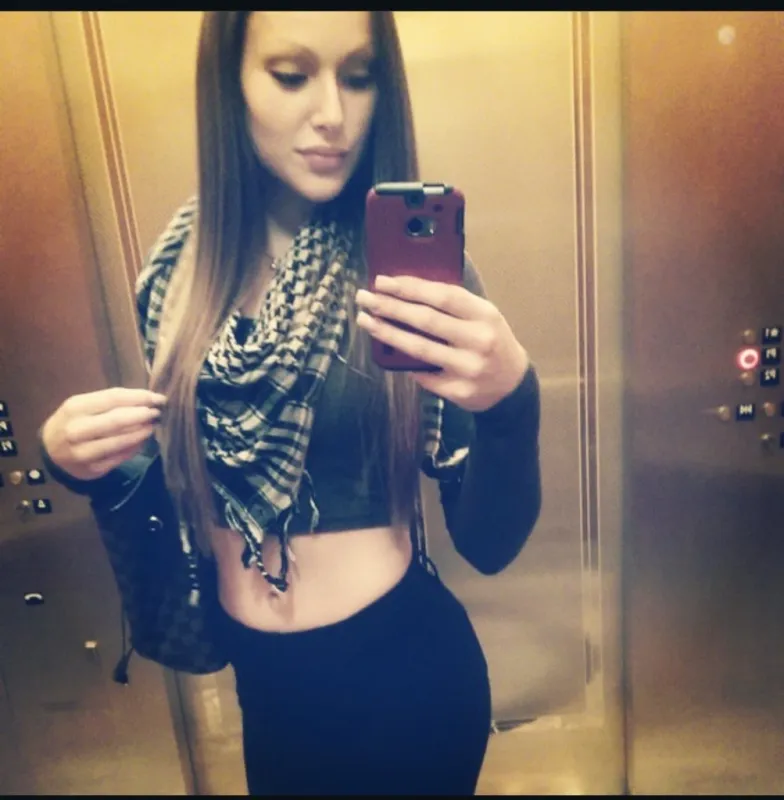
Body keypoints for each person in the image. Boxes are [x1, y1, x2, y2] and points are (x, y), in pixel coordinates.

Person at [39, 10, 541, 796]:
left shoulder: (409, 281)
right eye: (291, 74)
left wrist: (513, 403)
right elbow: (181, 488)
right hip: (267, 695)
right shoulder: (180, 274)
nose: (333, 113)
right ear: (229, 82)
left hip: (405, 691)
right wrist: (81, 461)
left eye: (359, 76)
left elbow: (489, 544)